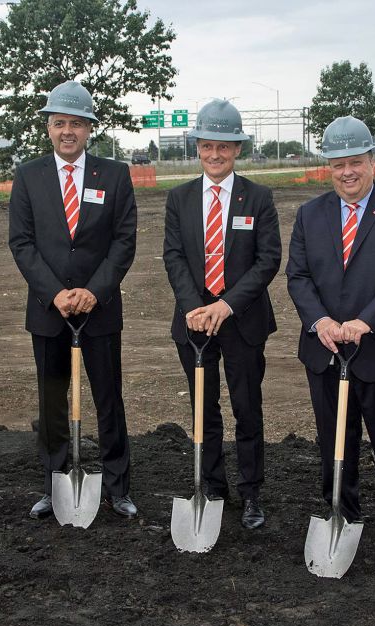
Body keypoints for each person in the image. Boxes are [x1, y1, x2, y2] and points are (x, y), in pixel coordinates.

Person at [286, 116, 375, 556]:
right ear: (329, 165)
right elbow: (298, 276)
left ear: (373, 162)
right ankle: (341, 511)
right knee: (333, 441)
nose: (348, 171)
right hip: (325, 350)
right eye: (338, 163)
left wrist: (367, 321)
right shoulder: (310, 214)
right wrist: (320, 321)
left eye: (357, 162)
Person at [9, 81, 138, 519]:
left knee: (108, 398)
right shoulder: (28, 176)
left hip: (99, 309)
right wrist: (56, 293)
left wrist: (93, 291)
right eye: (60, 123)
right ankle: (54, 482)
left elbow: (123, 242)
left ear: (89, 130)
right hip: (49, 311)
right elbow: (21, 243)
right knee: (52, 400)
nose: (68, 131)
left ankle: (118, 487)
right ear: (48, 128)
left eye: (77, 124)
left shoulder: (115, 175)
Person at [162, 99, 281, 529]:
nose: (215, 155)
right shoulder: (179, 198)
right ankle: (212, 487)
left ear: (238, 150)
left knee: (247, 409)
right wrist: (196, 306)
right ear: (197, 147)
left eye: (224, 147)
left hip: (243, 322)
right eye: (207, 146)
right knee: (203, 410)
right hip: (193, 324)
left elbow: (268, 260)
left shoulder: (259, 197)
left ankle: (251, 493)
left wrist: (226, 305)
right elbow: (173, 255)